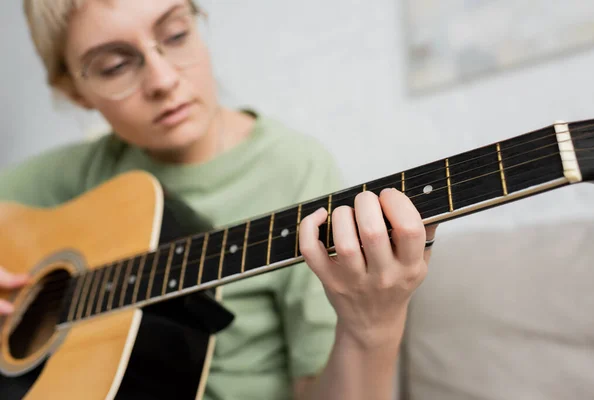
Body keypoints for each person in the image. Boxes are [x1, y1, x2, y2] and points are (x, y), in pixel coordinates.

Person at [0, 0, 438, 399]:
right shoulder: (78, 174)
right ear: (76, 92)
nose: (164, 79)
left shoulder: (295, 169)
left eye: (175, 35)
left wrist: (372, 327)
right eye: (115, 66)